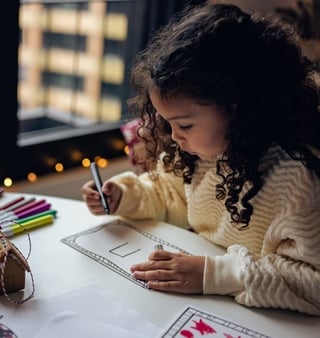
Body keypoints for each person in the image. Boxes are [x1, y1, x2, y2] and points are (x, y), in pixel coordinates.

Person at [82, 3, 320, 316]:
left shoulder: (297, 179)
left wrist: (214, 275)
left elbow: (312, 283)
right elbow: (171, 196)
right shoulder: (196, 152)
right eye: (168, 124)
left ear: (238, 108)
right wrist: (125, 194)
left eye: (185, 125)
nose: (175, 137)